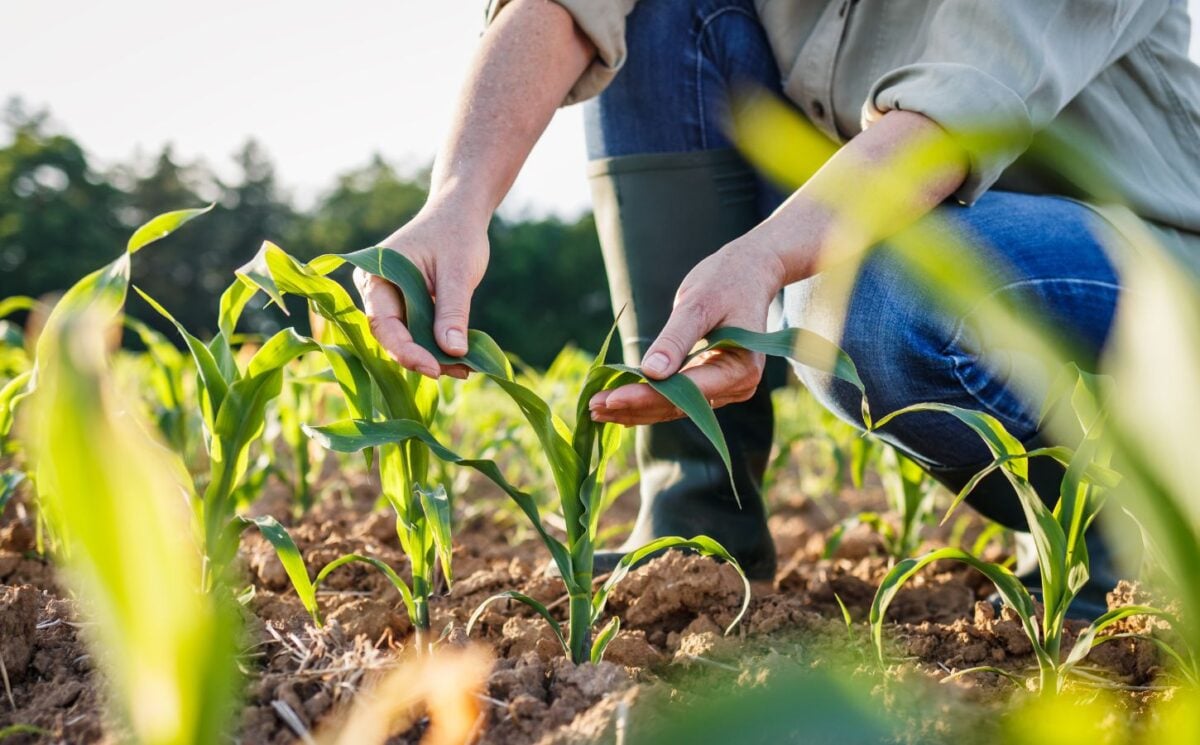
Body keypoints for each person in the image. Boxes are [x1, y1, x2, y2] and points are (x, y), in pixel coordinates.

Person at [354, 0, 1200, 615]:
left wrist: (765, 257)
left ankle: (1142, 534)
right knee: (663, 14)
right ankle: (698, 527)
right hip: (926, 228)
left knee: (866, 296)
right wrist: (460, 199)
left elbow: (949, 120)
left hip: (1146, 263)